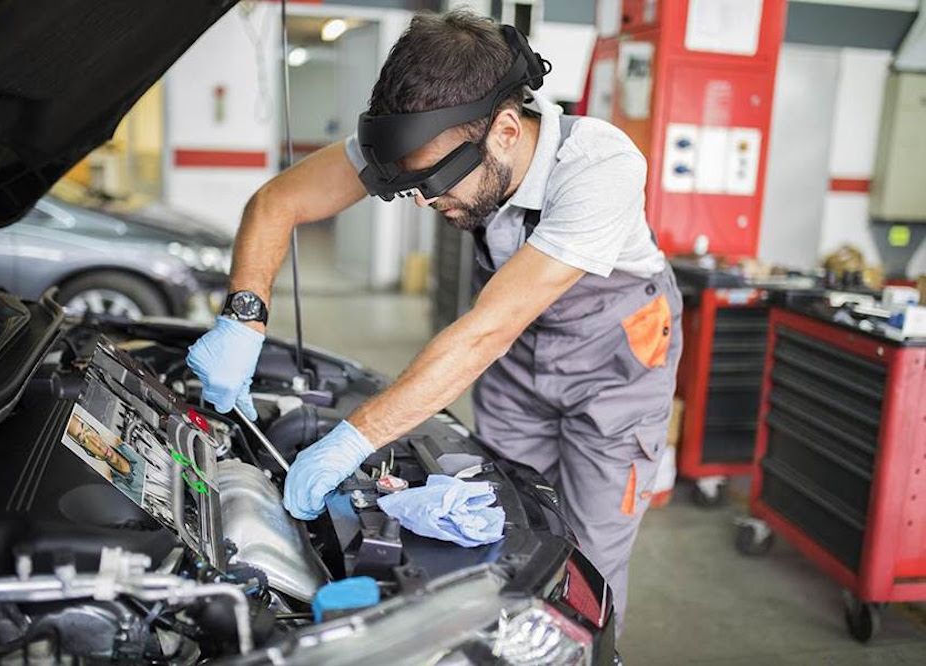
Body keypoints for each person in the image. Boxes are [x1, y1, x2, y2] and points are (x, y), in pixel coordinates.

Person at [186, 10, 682, 635]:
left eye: (433, 180)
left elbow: (486, 330)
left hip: (615, 373)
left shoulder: (598, 166)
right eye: (407, 183)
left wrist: (351, 441)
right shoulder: (425, 141)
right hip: (516, 369)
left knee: (588, 565)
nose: (420, 199)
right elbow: (276, 203)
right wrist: (243, 318)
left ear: (505, 128)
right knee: (497, 534)